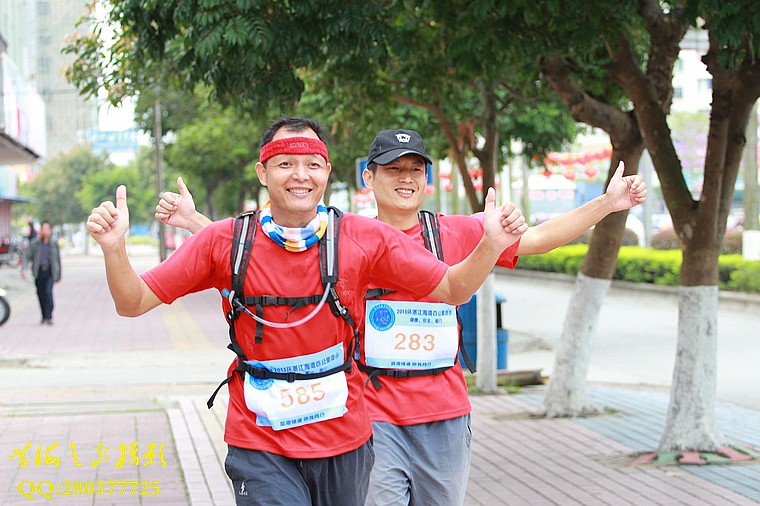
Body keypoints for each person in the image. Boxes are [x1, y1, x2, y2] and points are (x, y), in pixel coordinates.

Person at [156, 128, 647, 505]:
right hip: (373, 412)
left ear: (427, 180)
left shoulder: (455, 232)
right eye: (393, 169)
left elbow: (537, 238)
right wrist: (196, 224)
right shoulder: (346, 239)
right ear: (368, 178)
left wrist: (607, 204)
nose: (406, 179)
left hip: (445, 412)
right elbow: (265, 256)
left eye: (416, 170)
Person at [87, 116, 526, 506]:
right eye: (285, 163)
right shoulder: (223, 242)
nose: (300, 175)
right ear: (262, 172)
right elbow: (133, 301)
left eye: (313, 164)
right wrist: (114, 249)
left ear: (327, 172)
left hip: (345, 441)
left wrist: (490, 244)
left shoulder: (364, 238)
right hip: (259, 441)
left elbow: (453, 288)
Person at [21, 221, 62, 325]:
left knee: (48, 292)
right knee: (41, 294)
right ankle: (44, 316)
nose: (45, 231)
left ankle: (49, 316)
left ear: (50, 230)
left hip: (50, 272)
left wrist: (59, 274)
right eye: (43, 229)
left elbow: (58, 260)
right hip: (39, 272)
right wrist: (24, 268)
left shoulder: (54, 243)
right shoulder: (35, 243)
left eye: (47, 229)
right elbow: (27, 256)